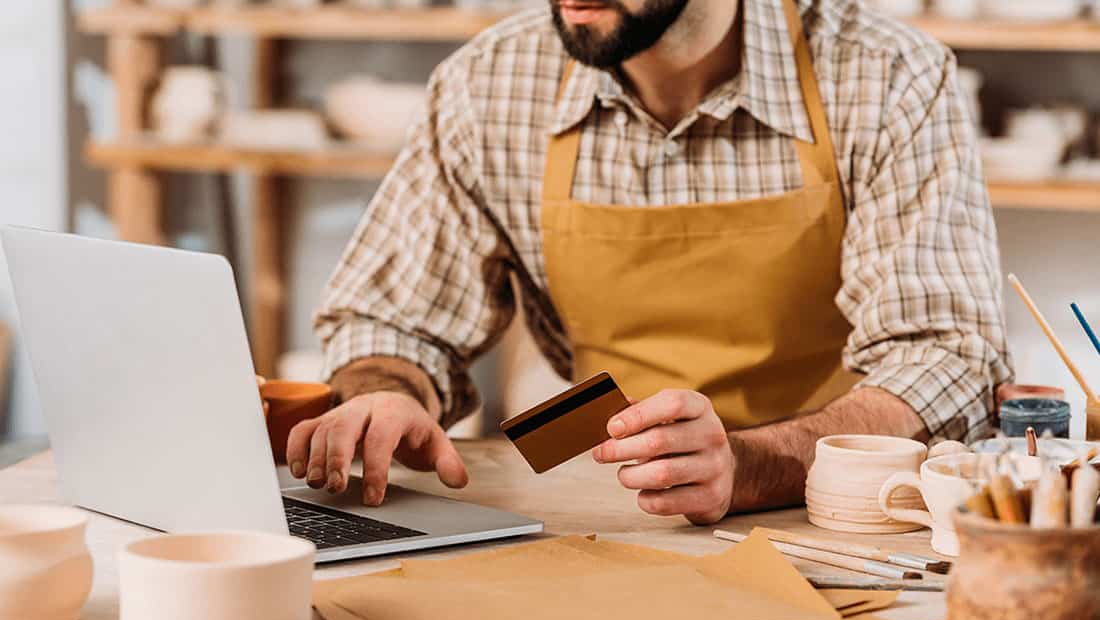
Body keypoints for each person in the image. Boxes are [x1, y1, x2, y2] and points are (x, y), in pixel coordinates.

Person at [287, 0, 1012, 524]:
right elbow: (393, 321)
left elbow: (946, 356)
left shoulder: (887, 76)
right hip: (604, 508)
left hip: (832, 519)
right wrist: (385, 388)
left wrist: (746, 464)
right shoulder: (489, 84)